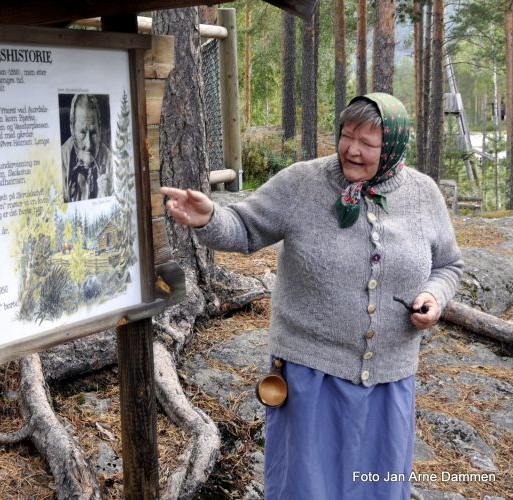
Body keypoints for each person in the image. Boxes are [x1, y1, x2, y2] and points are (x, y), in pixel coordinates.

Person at [161, 93, 463, 499]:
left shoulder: (424, 194)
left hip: (390, 378)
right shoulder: (303, 182)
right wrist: (209, 218)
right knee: (304, 488)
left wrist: (434, 296)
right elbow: (246, 228)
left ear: (392, 146)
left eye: (368, 143)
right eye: (346, 135)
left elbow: (448, 266)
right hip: (310, 376)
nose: (352, 149)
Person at [61, 94, 113, 202]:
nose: (89, 144)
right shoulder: (61, 161)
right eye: (83, 132)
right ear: (72, 128)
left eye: (93, 132)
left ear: (99, 127)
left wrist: (107, 196)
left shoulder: (111, 161)